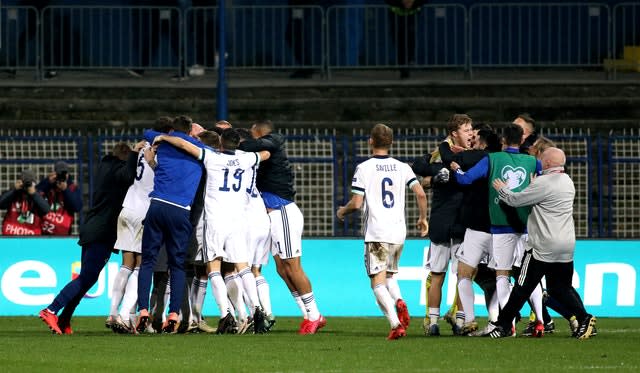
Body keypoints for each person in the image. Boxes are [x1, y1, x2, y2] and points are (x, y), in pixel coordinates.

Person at [152, 128, 270, 334]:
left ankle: (225, 315)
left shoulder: (212, 158)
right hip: (238, 221)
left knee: (213, 268)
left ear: (221, 143)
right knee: (243, 268)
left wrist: (164, 137)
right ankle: (257, 310)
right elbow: (266, 153)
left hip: (216, 221)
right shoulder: (247, 159)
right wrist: (246, 151)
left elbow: (184, 145)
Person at [483, 147, 596, 339]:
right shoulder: (567, 181)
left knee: (521, 288)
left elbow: (515, 200)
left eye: (543, 159)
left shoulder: (543, 183)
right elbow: (545, 196)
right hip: (565, 245)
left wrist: (502, 189)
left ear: (549, 163)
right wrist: (534, 185)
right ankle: (584, 319)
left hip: (542, 246)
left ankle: (502, 326)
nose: (540, 161)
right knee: (560, 288)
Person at [337, 123, 428, 340]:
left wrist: (343, 211)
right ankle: (398, 300)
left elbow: (357, 203)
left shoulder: (364, 168)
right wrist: (423, 218)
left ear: (371, 141)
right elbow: (421, 193)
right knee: (388, 275)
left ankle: (395, 323)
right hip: (398, 232)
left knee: (376, 281)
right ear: (391, 143)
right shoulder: (403, 167)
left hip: (377, 232)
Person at [38, 142, 139, 334]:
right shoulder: (118, 171)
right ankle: (51, 309)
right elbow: (127, 175)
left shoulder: (105, 167)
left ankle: (64, 319)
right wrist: (135, 155)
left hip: (93, 227)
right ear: (125, 158)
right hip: (102, 231)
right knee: (87, 277)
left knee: (88, 278)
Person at [452, 124, 541, 335]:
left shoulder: (492, 160)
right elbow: (544, 185)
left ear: (503, 140)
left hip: (500, 227)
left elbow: (465, 179)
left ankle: (502, 323)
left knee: (500, 275)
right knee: (527, 276)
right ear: (521, 141)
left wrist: (456, 169)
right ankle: (541, 320)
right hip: (525, 227)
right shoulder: (533, 162)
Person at [239, 119, 326, 334]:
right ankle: (307, 313)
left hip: (283, 212)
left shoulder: (272, 142)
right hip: (274, 216)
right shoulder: (265, 150)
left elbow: (261, 144)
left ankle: (315, 315)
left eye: (252, 132)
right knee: (282, 268)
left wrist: (235, 145)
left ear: (259, 131)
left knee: (293, 266)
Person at [135, 115, 204, 334]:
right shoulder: (201, 150)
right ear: (190, 131)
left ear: (173, 130)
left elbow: (147, 132)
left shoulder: (162, 141)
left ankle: (144, 310)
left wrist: (161, 140)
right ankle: (174, 314)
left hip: (156, 207)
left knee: (147, 262)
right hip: (180, 210)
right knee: (177, 266)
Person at [107, 117, 172, 333]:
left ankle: (113, 312)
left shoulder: (141, 147)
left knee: (127, 264)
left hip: (127, 208)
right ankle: (127, 316)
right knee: (143, 266)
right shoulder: (164, 152)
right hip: (146, 211)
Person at [419, 114, 473, 336]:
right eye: (467, 130)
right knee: (451, 275)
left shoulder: (454, 157)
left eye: (471, 130)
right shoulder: (467, 158)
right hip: (450, 223)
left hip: (453, 222)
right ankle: (438, 322)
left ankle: (446, 321)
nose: (471, 134)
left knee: (452, 275)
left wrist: (433, 177)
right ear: (454, 134)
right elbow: (419, 167)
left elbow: (423, 170)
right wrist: (433, 177)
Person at [449, 127, 501, 334]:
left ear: (484, 142)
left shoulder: (477, 159)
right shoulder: (503, 161)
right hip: (500, 228)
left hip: (477, 227)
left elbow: (464, 179)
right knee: (503, 276)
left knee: (463, 273)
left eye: (476, 137)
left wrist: (455, 167)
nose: (473, 139)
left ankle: (470, 319)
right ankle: (500, 322)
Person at [36, 161, 82, 236]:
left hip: (64, 234)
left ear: (68, 174)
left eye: (64, 174)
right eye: (59, 174)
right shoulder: (48, 185)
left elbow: (77, 207)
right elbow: (34, 195)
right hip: (44, 233)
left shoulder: (72, 188)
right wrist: (47, 182)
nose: (62, 176)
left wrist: (65, 190)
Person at [385, 0, 427, 79]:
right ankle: (403, 67)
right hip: (396, 15)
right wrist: (402, 3)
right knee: (399, 42)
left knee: (409, 39)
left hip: (412, 14)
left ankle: (407, 63)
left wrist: (413, 3)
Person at [1, 169, 50, 236]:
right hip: (10, 238)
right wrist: (14, 190)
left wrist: (33, 194)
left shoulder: (39, 195)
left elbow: (46, 210)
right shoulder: (14, 193)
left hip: (31, 240)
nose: (26, 185)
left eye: (29, 183)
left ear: (34, 184)